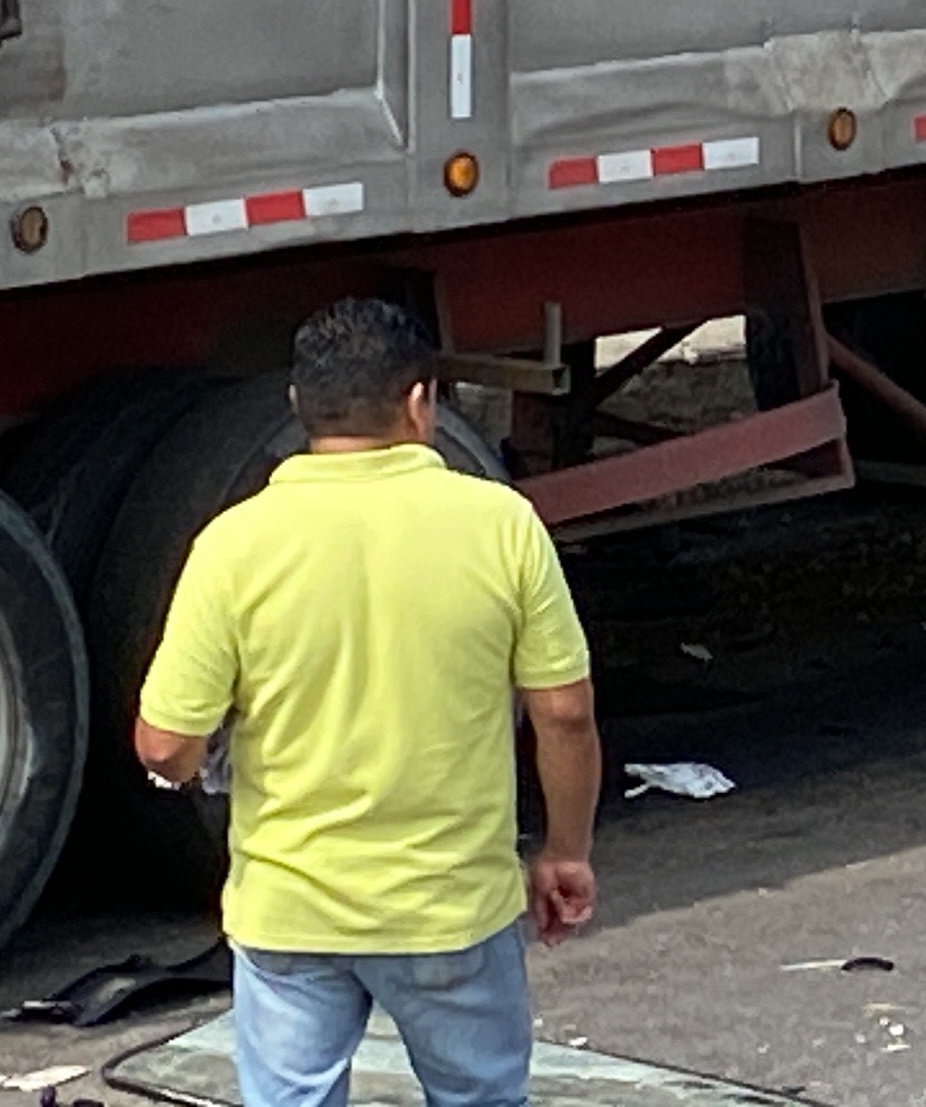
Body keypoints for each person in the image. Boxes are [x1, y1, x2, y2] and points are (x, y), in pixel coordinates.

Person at [134, 299, 602, 1107]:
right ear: (421, 402)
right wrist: (565, 850)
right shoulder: (501, 526)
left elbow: (163, 746)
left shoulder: (235, 545)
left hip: (290, 915)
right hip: (452, 911)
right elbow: (563, 712)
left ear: (296, 408)